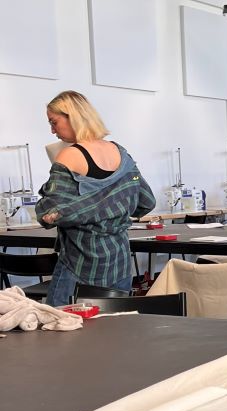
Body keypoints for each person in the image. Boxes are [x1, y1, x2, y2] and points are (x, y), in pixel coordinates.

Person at [36, 90, 156, 307]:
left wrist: (85, 209)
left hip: (81, 264)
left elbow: (49, 213)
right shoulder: (121, 153)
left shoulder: (69, 155)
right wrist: (113, 207)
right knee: (113, 333)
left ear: (73, 116)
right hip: (119, 261)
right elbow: (147, 201)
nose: (52, 130)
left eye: (54, 122)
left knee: (61, 332)